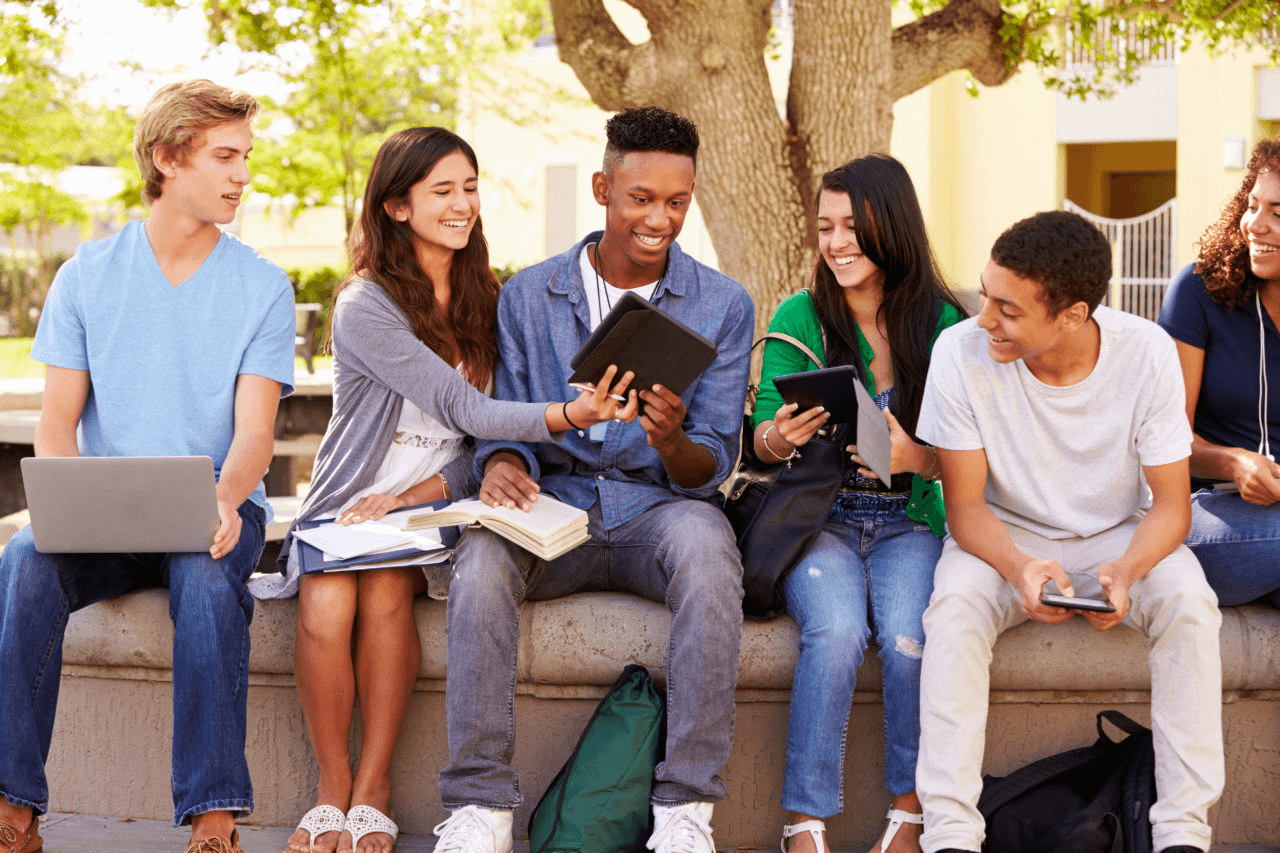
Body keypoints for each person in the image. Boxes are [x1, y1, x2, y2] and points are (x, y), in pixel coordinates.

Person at [249, 127, 636, 853]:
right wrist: (568, 415)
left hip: (434, 506)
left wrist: (418, 493)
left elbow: (472, 448)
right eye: (442, 191)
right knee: (329, 601)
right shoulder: (366, 305)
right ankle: (331, 788)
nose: (463, 205)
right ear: (396, 207)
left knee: (388, 593)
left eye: (469, 186)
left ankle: (375, 788)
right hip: (349, 502)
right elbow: (466, 409)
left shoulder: (487, 299)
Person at [430, 106, 753, 853]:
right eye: (641, 198)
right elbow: (501, 417)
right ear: (604, 188)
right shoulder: (530, 295)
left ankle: (684, 808)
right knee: (478, 559)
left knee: (710, 553)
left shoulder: (723, 304)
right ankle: (479, 804)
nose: (660, 219)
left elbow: (711, 464)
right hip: (555, 503)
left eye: (678, 201)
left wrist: (671, 440)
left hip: (659, 508)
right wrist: (506, 460)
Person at [0, 79, 297, 853]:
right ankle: (13, 806)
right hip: (106, 512)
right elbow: (58, 422)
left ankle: (212, 814)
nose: (242, 175)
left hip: (218, 505)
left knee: (203, 579)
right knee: (25, 558)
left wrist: (228, 502)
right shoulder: (87, 276)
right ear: (167, 157)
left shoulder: (261, 285)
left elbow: (255, 434)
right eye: (224, 156)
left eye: (246, 157)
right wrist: (65, 502)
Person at [914, 210, 1223, 853]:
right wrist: (1020, 567)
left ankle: (1182, 833)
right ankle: (949, 834)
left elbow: (1172, 505)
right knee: (954, 610)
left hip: (1121, 531)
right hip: (1002, 533)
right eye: (985, 295)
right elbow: (965, 506)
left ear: (1073, 315)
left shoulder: (1146, 353)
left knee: (1192, 607)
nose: (984, 320)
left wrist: (1130, 570)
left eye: (1007, 309)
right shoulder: (961, 353)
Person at [750, 154, 964, 853]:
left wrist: (915, 458)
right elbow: (758, 442)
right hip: (823, 521)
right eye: (826, 227)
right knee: (837, 634)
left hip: (910, 521)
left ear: (891, 227)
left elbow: (971, 458)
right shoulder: (799, 314)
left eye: (853, 227)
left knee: (908, 640)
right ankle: (804, 822)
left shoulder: (943, 324)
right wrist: (779, 436)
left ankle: (908, 813)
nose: (837, 243)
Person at [1157, 136, 1280, 608]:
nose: (1257, 225)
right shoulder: (1198, 292)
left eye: (1277, 212)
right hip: (1205, 508)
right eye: (1253, 205)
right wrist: (1235, 461)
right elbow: (1167, 440)